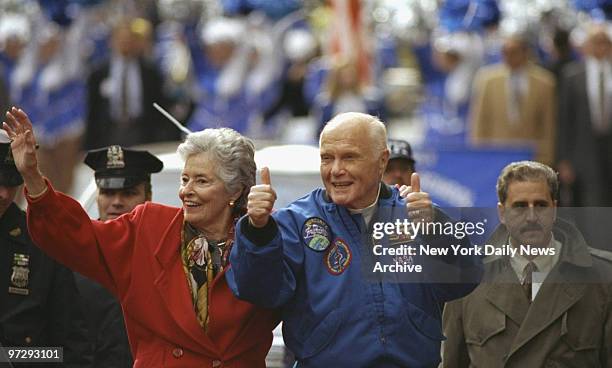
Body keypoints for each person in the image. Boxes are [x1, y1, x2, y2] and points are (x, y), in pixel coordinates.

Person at [3, 106, 278, 367]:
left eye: (202, 181)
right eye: (185, 180)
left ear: (235, 191)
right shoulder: (149, 228)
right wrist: (32, 175)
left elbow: (296, 298)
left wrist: (260, 231)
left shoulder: (265, 239)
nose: (186, 191)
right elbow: (74, 234)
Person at [228, 112, 482, 367]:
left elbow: (464, 280)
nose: (336, 170)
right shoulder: (295, 222)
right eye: (327, 158)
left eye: (349, 157)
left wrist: (435, 229)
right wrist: (258, 230)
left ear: (381, 160)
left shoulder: (418, 215)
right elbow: (260, 292)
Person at [442, 161, 612, 367]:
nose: (531, 217)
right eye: (520, 206)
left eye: (541, 205)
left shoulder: (602, 277)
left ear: (555, 209)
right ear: (502, 213)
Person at [0, 139, 91, 367]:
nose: (3, 194)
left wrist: (15, 358)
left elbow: (70, 346)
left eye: (11, 183)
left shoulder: (42, 240)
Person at [75, 146, 163, 368]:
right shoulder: (70, 255)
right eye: (107, 192)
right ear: (97, 196)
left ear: (149, 198)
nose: (116, 202)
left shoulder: (166, 254)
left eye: (128, 193)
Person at [469, 33, 556, 165]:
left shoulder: (545, 82)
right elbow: (480, 121)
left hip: (532, 157)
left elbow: (548, 125)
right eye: (505, 52)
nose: (508, 56)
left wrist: (547, 158)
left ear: (525, 52)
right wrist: (479, 156)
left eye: (513, 52)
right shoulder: (487, 80)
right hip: (495, 155)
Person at [557, 23, 612, 207]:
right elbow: (564, 120)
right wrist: (564, 159)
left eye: (605, 42)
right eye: (596, 42)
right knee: (589, 201)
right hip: (583, 149)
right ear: (587, 45)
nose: (601, 46)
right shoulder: (572, 75)